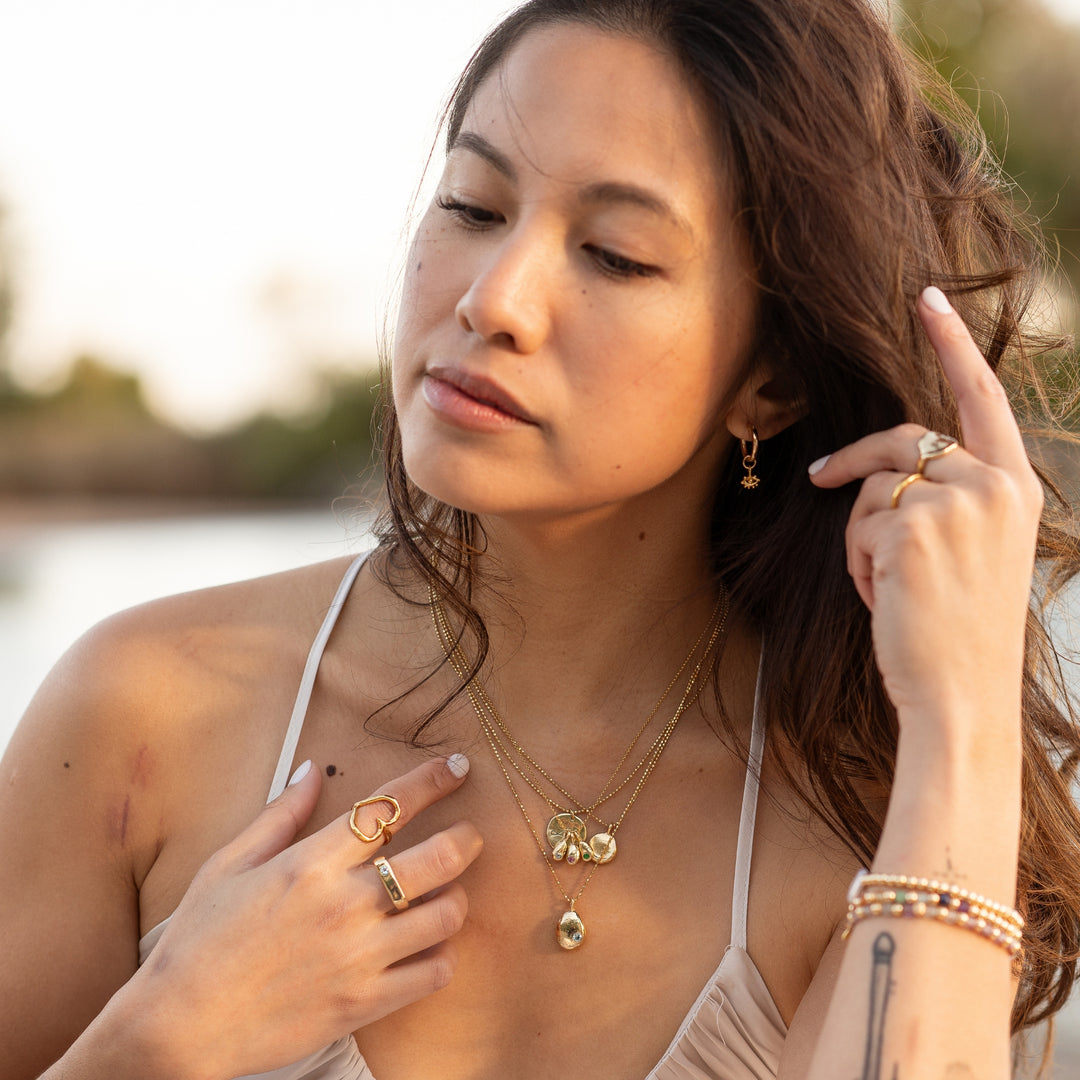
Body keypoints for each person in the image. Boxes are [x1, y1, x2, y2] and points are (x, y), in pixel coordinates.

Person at [2, 0, 1079, 1077]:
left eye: (613, 255)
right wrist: (158, 1041)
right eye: (473, 206)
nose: (494, 299)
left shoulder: (865, 830)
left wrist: (966, 716)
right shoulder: (143, 717)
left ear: (774, 380)